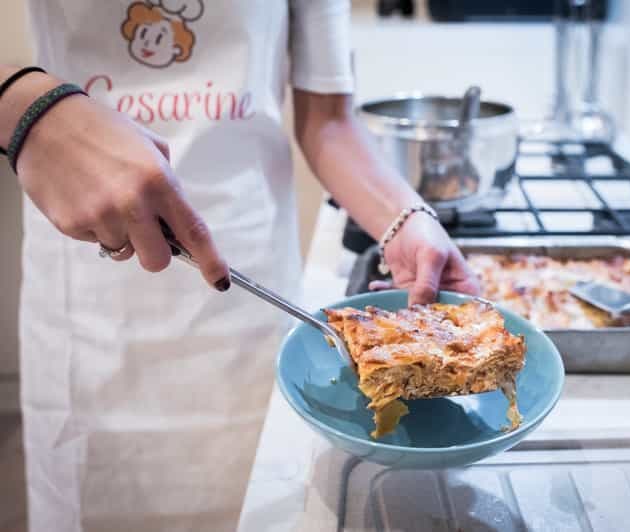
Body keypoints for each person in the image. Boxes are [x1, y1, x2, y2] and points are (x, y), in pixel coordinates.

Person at [0, 1, 478, 530]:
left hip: (249, 302)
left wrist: (406, 219)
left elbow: (328, 121)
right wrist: (23, 104)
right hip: (88, 298)